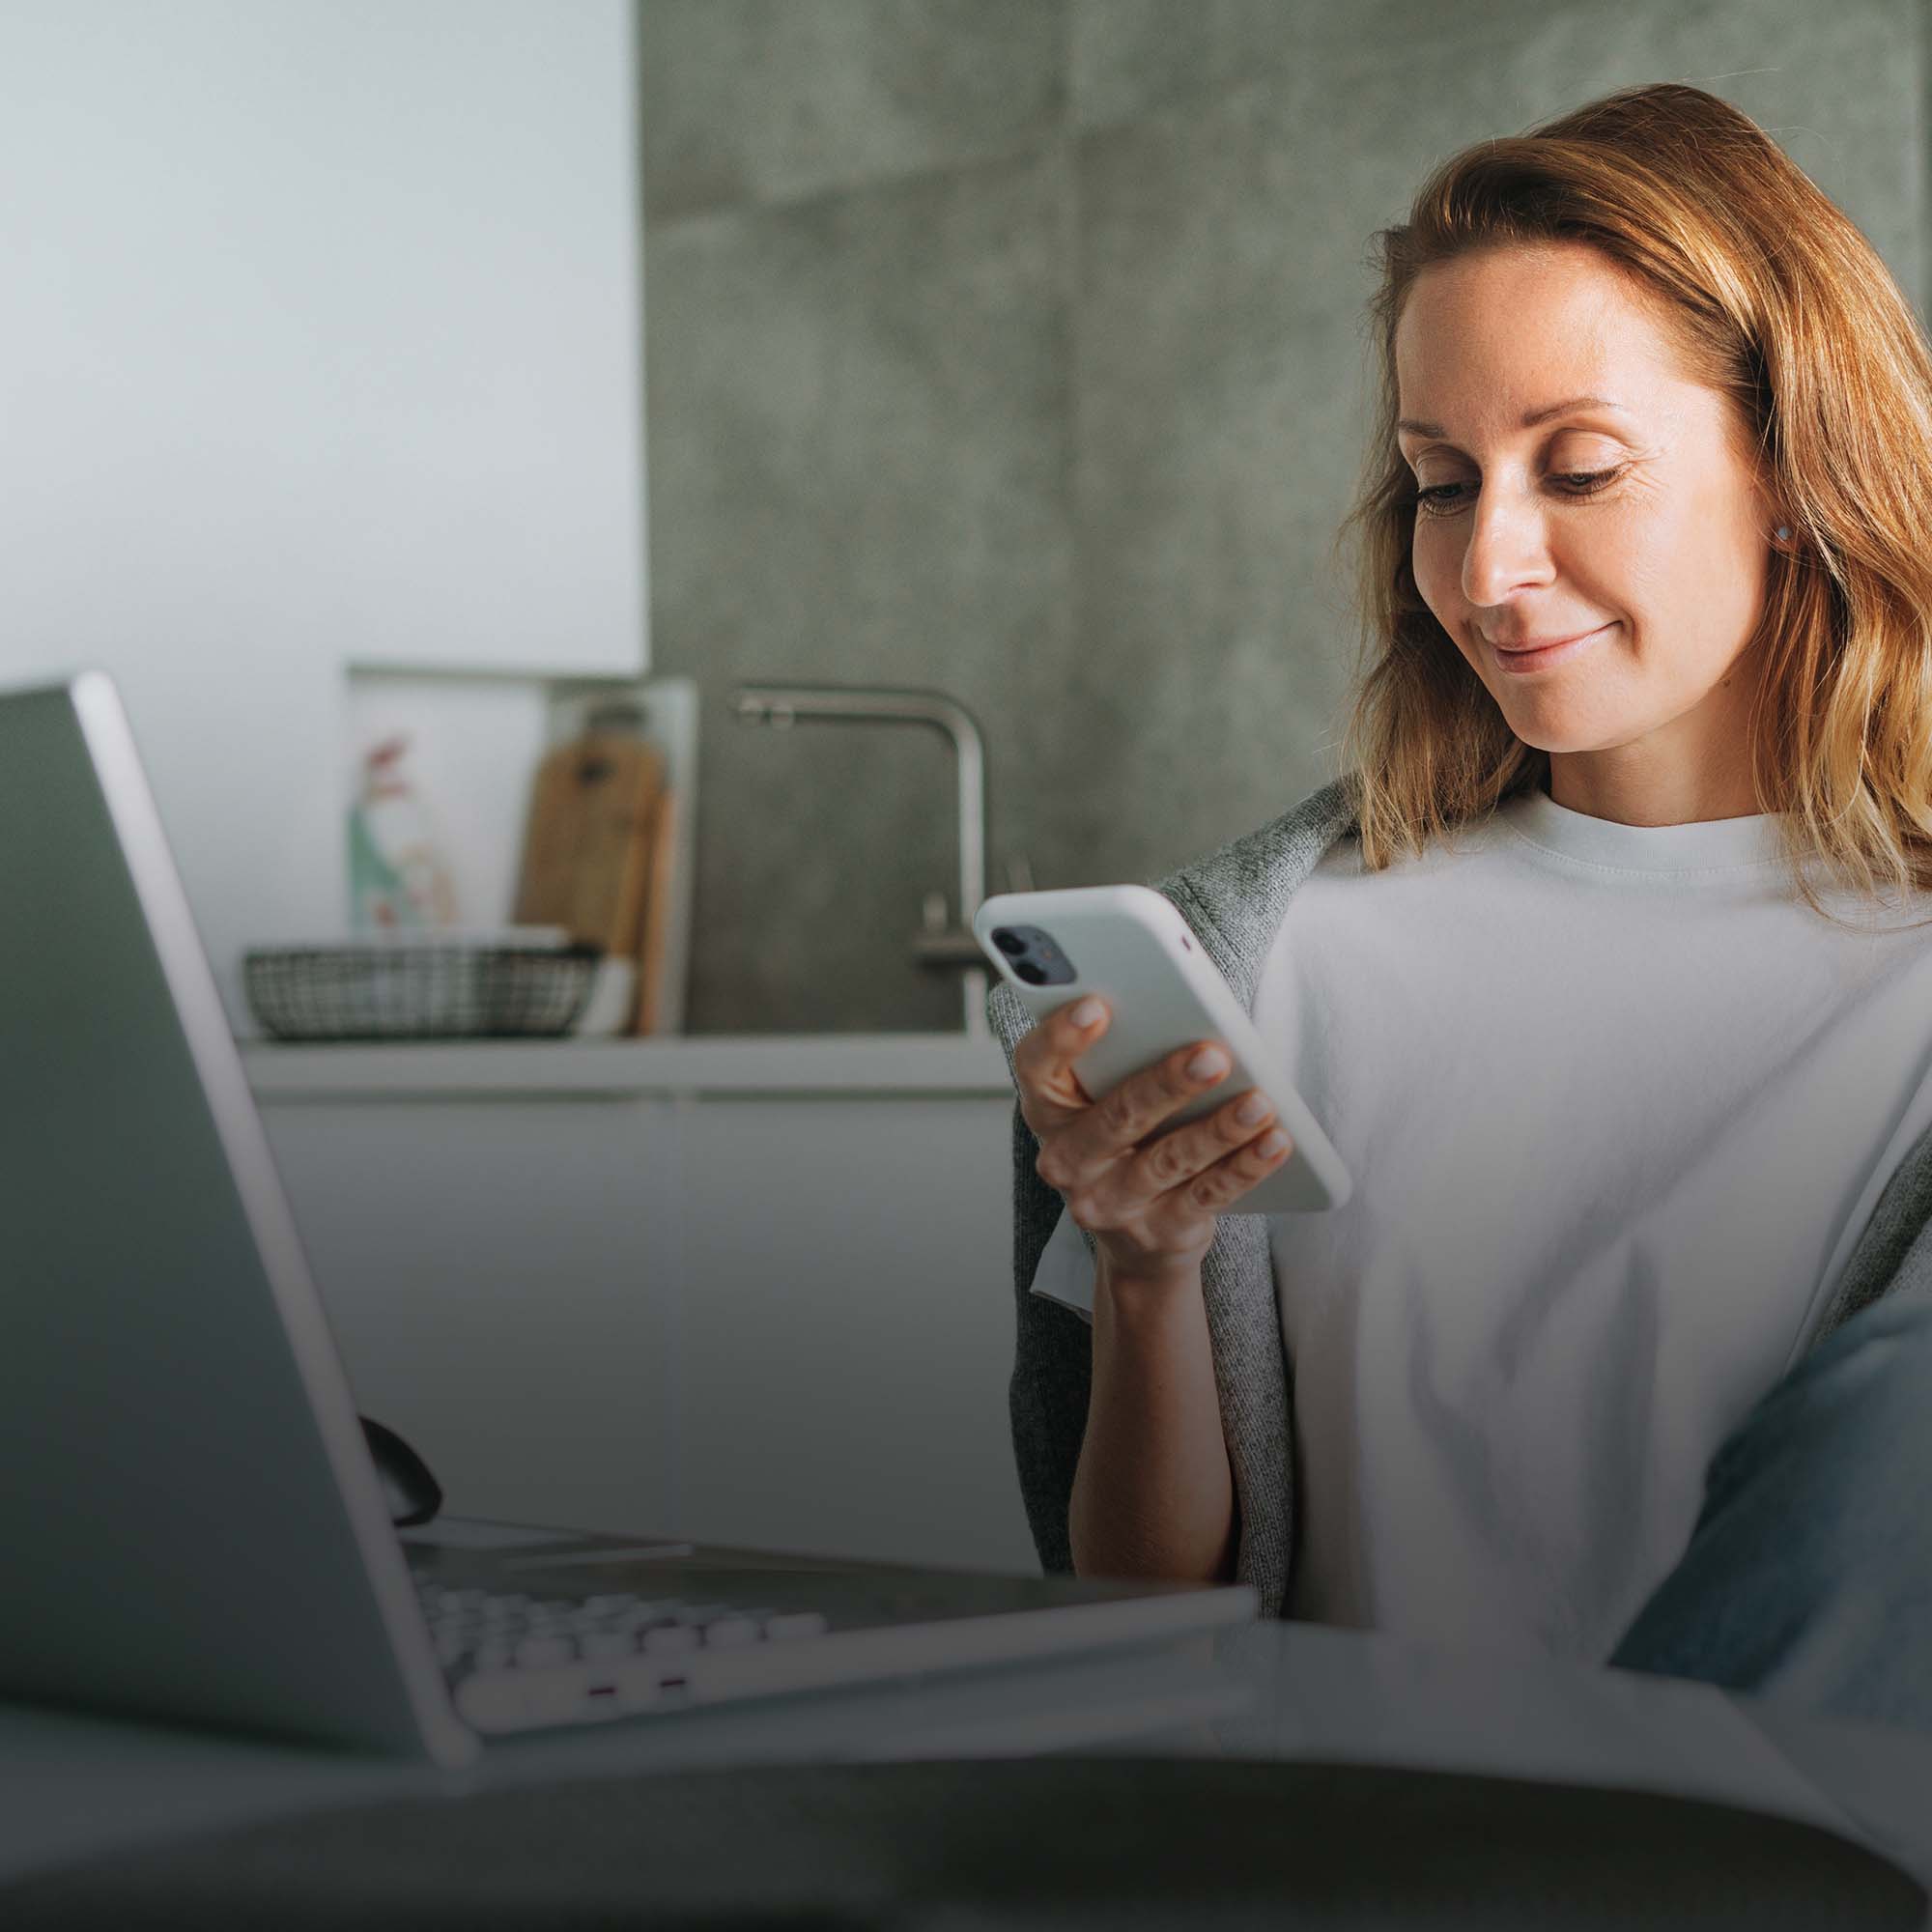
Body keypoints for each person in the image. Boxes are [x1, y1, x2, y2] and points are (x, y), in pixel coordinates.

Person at [988, 82, 1932, 1734]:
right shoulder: (1277, 956)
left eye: (1579, 468)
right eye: (1440, 480)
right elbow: (1136, 1623)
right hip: (1342, 1866)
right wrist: (1146, 1273)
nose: (1488, 566)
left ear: (1795, 466)